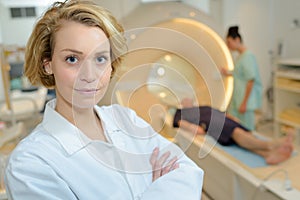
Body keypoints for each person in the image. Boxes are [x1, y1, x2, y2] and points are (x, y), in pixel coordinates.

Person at [4, 1, 204, 199]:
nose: (89, 75)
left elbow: (187, 172)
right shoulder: (30, 163)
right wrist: (158, 187)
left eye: (100, 59)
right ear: (48, 64)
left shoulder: (125, 118)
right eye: (72, 59)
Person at [172, 98, 293, 165]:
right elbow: (186, 126)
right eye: (184, 99)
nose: (188, 99)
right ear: (181, 103)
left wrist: (232, 118)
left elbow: (221, 112)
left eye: (189, 98)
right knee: (236, 133)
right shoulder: (179, 113)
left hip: (223, 119)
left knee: (244, 134)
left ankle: (267, 154)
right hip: (214, 124)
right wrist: (193, 128)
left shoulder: (203, 106)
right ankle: (271, 145)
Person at [222, 26, 262, 131]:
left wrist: (244, 103)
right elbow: (240, 74)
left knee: (247, 129)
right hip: (237, 99)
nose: (228, 45)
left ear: (237, 40)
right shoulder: (240, 56)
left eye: (229, 42)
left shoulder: (248, 56)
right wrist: (228, 73)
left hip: (245, 101)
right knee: (235, 127)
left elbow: (250, 80)